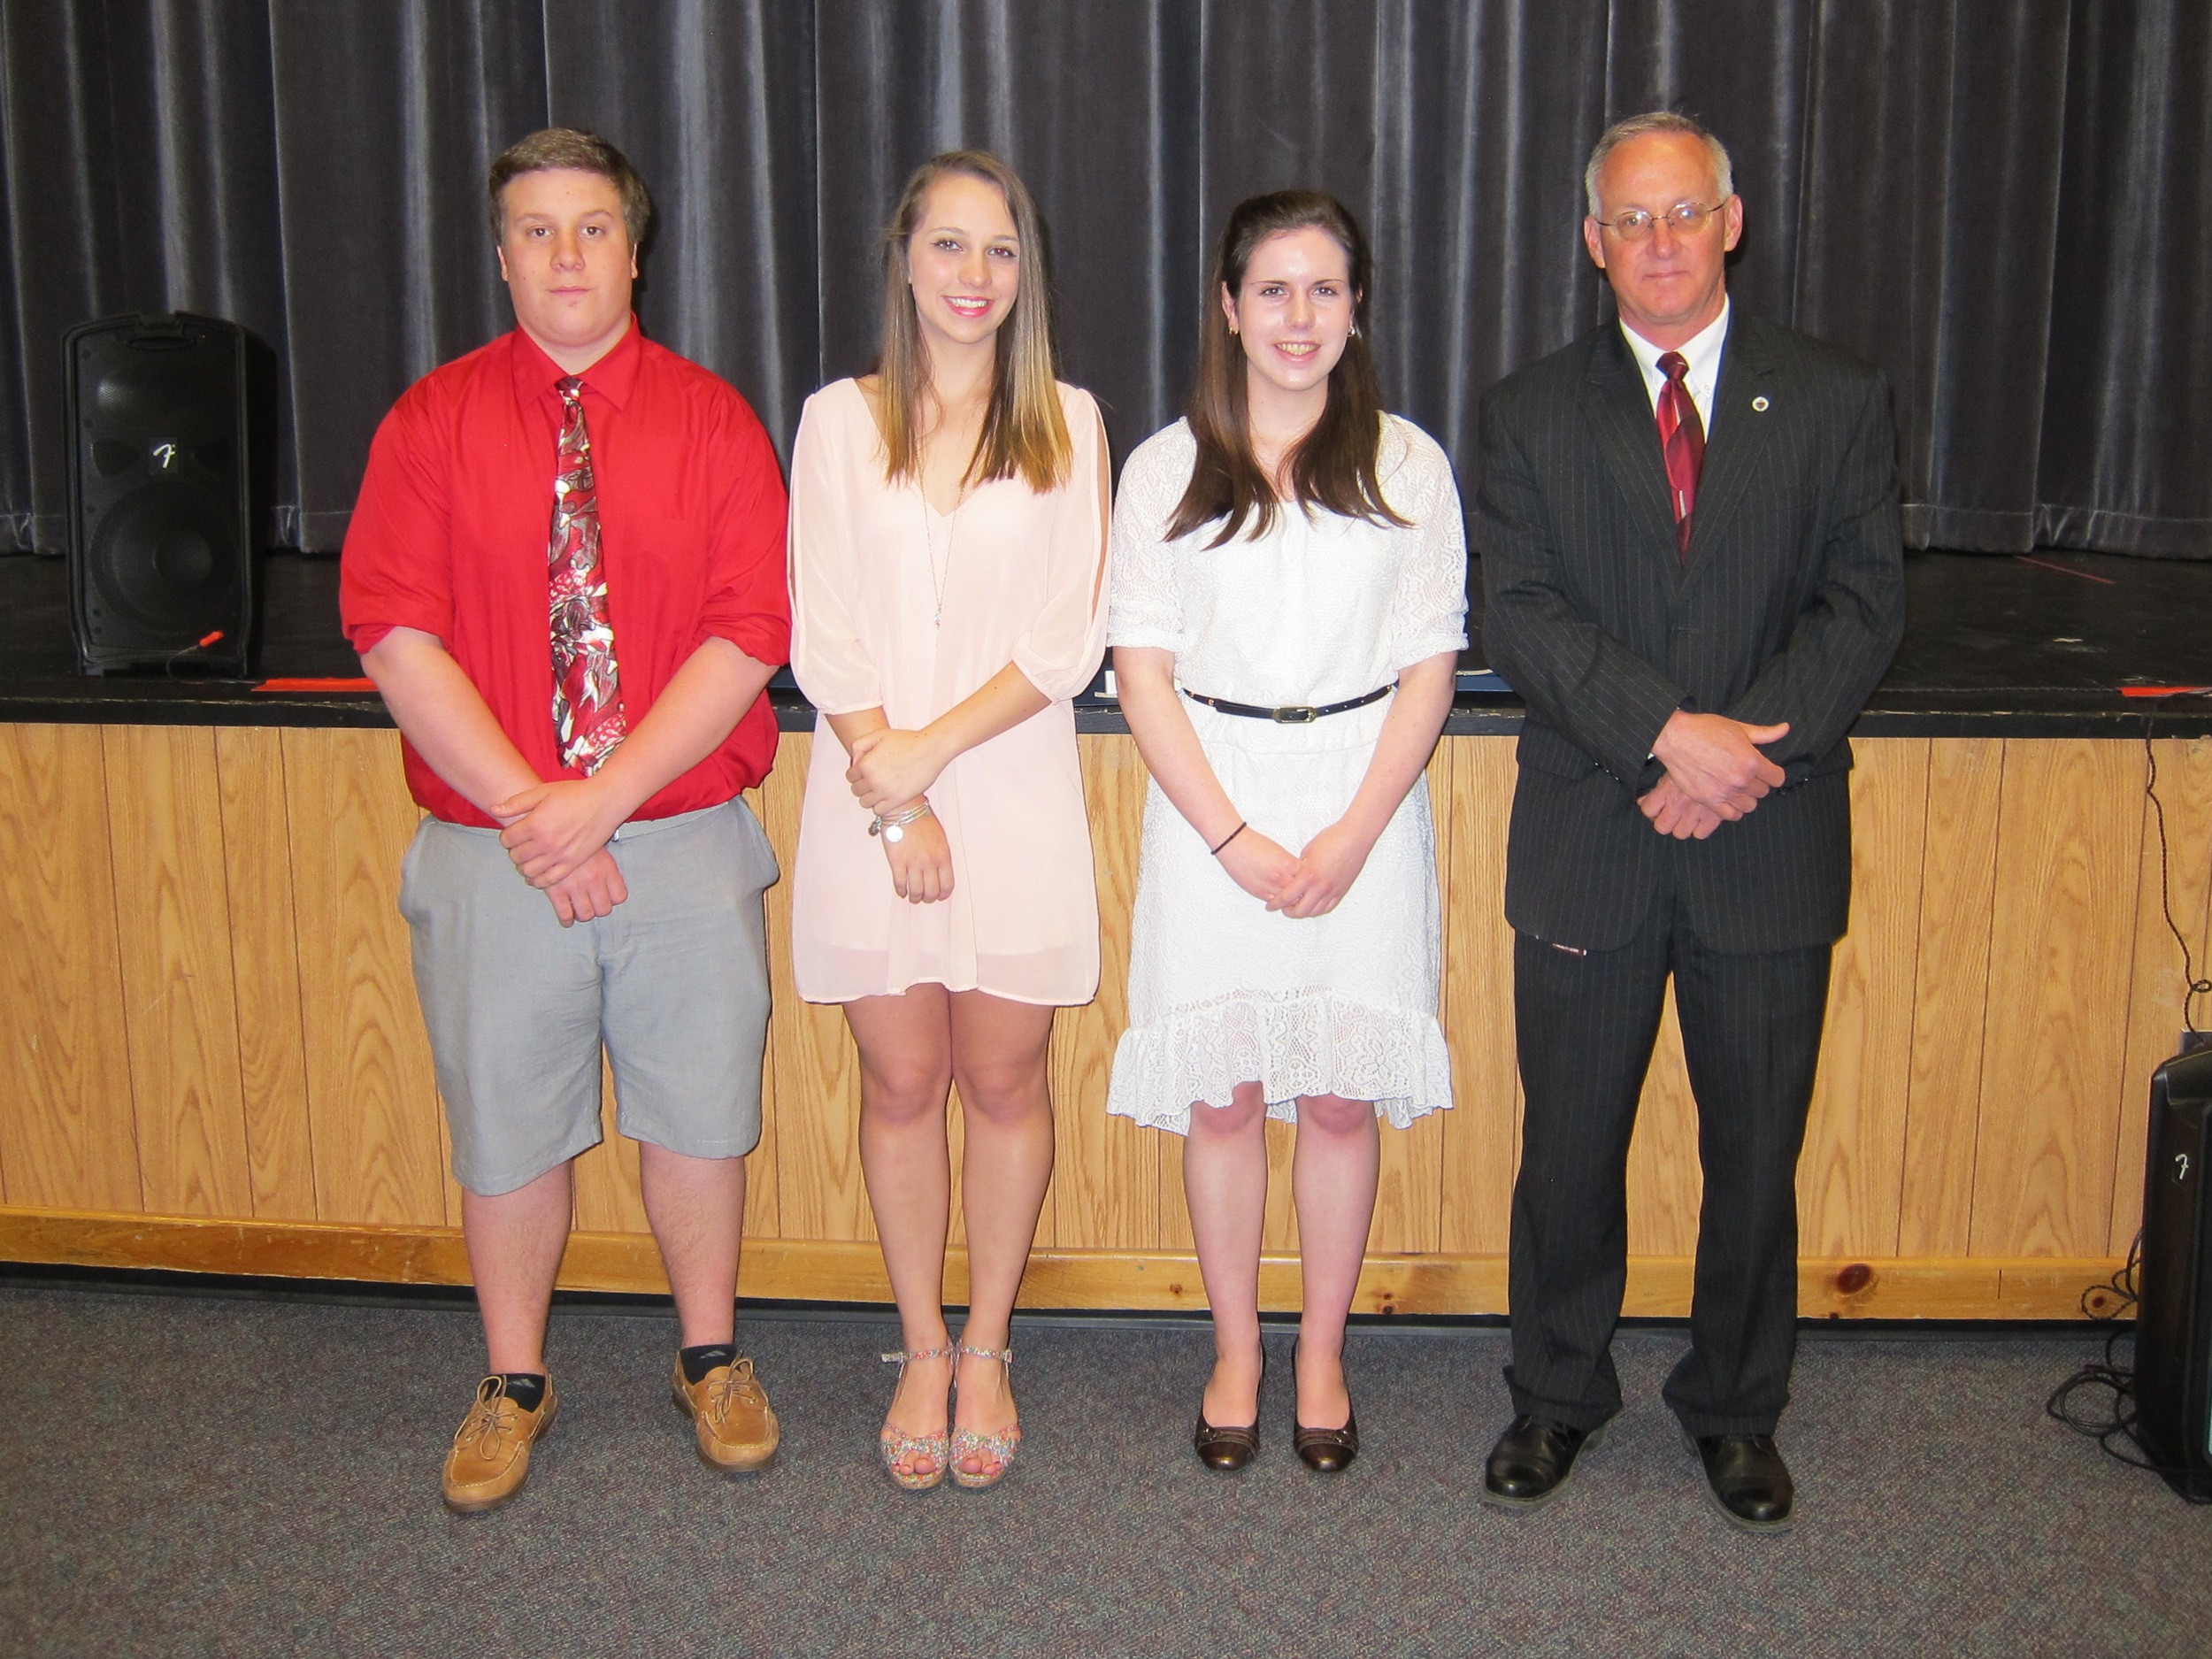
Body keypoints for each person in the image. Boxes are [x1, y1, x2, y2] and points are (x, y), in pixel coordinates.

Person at [341, 128, 790, 1512]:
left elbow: (747, 636)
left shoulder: (714, 419)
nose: (566, 255)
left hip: (678, 839)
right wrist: (538, 815)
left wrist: (600, 801)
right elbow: (393, 631)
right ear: (500, 253)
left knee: (699, 1120)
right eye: (535, 230)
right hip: (495, 852)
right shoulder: (430, 421)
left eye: (592, 227)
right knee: (506, 1126)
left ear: (634, 248)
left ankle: (708, 1358)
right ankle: (513, 1379)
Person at [1476, 111, 1906, 1532]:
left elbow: (1861, 608)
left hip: (1766, 843)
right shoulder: (1528, 409)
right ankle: (1555, 1396)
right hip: (1595, 832)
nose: (1657, 242)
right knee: (1571, 1148)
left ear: (1733, 221)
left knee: (1755, 1151)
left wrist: (1740, 756)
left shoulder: (1834, 398)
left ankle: (1735, 1409)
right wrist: (1668, 734)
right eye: (1628, 221)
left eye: (1683, 214)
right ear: (1593, 244)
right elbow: (1520, 610)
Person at [1107, 191, 1466, 1474]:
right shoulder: (1161, 467)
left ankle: (1317, 1349)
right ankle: (1236, 1349)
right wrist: (1231, 837)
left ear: (1356, 307)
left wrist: (1356, 834)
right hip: (1215, 793)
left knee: (1333, 1098)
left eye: (1324, 290)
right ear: (1228, 306)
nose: (1298, 317)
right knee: (1222, 1096)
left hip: (1365, 793)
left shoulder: (1410, 464)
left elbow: (1430, 668)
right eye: (1273, 290)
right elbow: (1139, 671)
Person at [787, 150, 1110, 1491]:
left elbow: (1066, 639)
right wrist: (896, 782)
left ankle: (988, 1349)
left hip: (1011, 793)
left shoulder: (1070, 423)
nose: (975, 277)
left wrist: (927, 758)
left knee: (1004, 1082)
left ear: (1024, 272)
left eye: (1000, 251)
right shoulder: (833, 421)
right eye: (950, 248)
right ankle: (919, 1345)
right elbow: (823, 624)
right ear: (903, 260)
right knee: (904, 1083)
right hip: (871, 800)